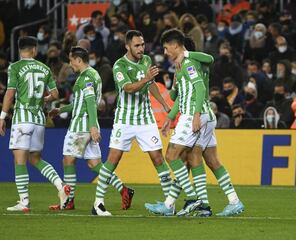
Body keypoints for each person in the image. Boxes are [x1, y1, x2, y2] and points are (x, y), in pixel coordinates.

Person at [146, 33, 244, 217]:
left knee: (172, 155)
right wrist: (169, 117)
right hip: (203, 114)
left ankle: (192, 200)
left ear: (177, 46)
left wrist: (196, 115)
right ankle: (227, 202)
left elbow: (199, 87)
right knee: (202, 159)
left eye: (167, 48)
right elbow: (177, 97)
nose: (165, 52)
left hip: (194, 114)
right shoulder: (181, 67)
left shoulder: (190, 63)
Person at [91, 30, 172, 216]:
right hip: (124, 121)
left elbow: (150, 85)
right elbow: (128, 88)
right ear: (127, 46)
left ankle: (169, 203)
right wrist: (145, 78)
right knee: (113, 159)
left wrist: (163, 103)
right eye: (137, 45)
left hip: (145, 120)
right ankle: (98, 203)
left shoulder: (146, 61)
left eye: (142, 44)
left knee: (158, 158)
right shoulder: (119, 65)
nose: (141, 48)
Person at [47, 47, 133, 210]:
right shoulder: (93, 75)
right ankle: (124, 189)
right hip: (88, 126)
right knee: (95, 164)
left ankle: (68, 200)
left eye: (71, 60)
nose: (70, 63)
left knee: (68, 160)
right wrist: (61, 110)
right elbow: (81, 102)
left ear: (78, 60)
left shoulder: (86, 77)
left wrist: (93, 127)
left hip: (81, 127)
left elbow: (91, 103)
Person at [0, 36, 70, 212]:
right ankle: (61, 187)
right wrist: (41, 98)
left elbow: (10, 93)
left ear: (20, 49)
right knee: (36, 158)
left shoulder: (15, 67)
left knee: (19, 160)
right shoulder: (44, 68)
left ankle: (24, 202)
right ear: (35, 50)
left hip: (22, 118)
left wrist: (2, 116)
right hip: (39, 119)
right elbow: (55, 94)